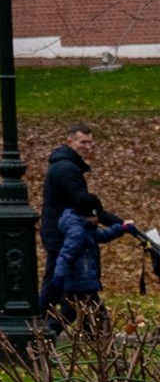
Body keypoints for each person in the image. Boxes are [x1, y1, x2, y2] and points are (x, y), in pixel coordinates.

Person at [41, 124, 144, 323]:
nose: (87, 146)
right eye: (83, 142)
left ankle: (48, 325)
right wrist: (123, 225)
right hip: (62, 234)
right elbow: (85, 205)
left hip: (60, 232)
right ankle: (42, 326)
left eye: (90, 142)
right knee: (63, 290)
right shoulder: (67, 170)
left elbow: (93, 219)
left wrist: (121, 227)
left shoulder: (64, 165)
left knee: (69, 294)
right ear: (70, 142)